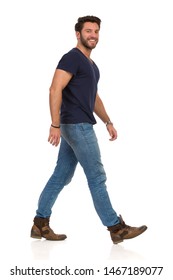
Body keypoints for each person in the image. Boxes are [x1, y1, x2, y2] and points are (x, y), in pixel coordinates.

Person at [31, 15, 147, 244]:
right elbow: (55, 89)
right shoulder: (71, 58)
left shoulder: (91, 66)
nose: (93, 35)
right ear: (78, 34)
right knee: (96, 176)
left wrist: (108, 121)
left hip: (73, 126)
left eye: (96, 31)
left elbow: (92, 98)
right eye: (88, 31)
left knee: (61, 175)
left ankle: (40, 224)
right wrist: (54, 124)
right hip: (77, 126)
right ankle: (116, 228)